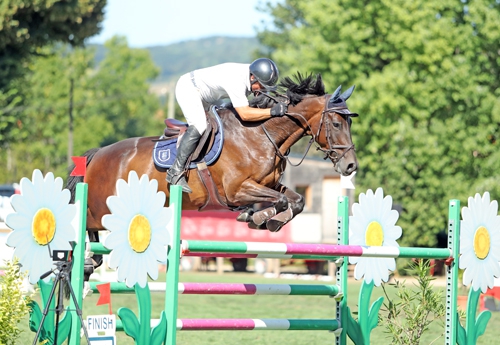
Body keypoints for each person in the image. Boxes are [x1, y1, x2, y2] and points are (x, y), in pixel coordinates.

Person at [167, 58, 288, 193]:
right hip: (189, 88)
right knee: (200, 125)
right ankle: (175, 172)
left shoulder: (254, 73)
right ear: (253, 77)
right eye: (262, 86)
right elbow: (245, 114)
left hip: (208, 96)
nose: (263, 90)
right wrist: (272, 112)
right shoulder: (236, 80)